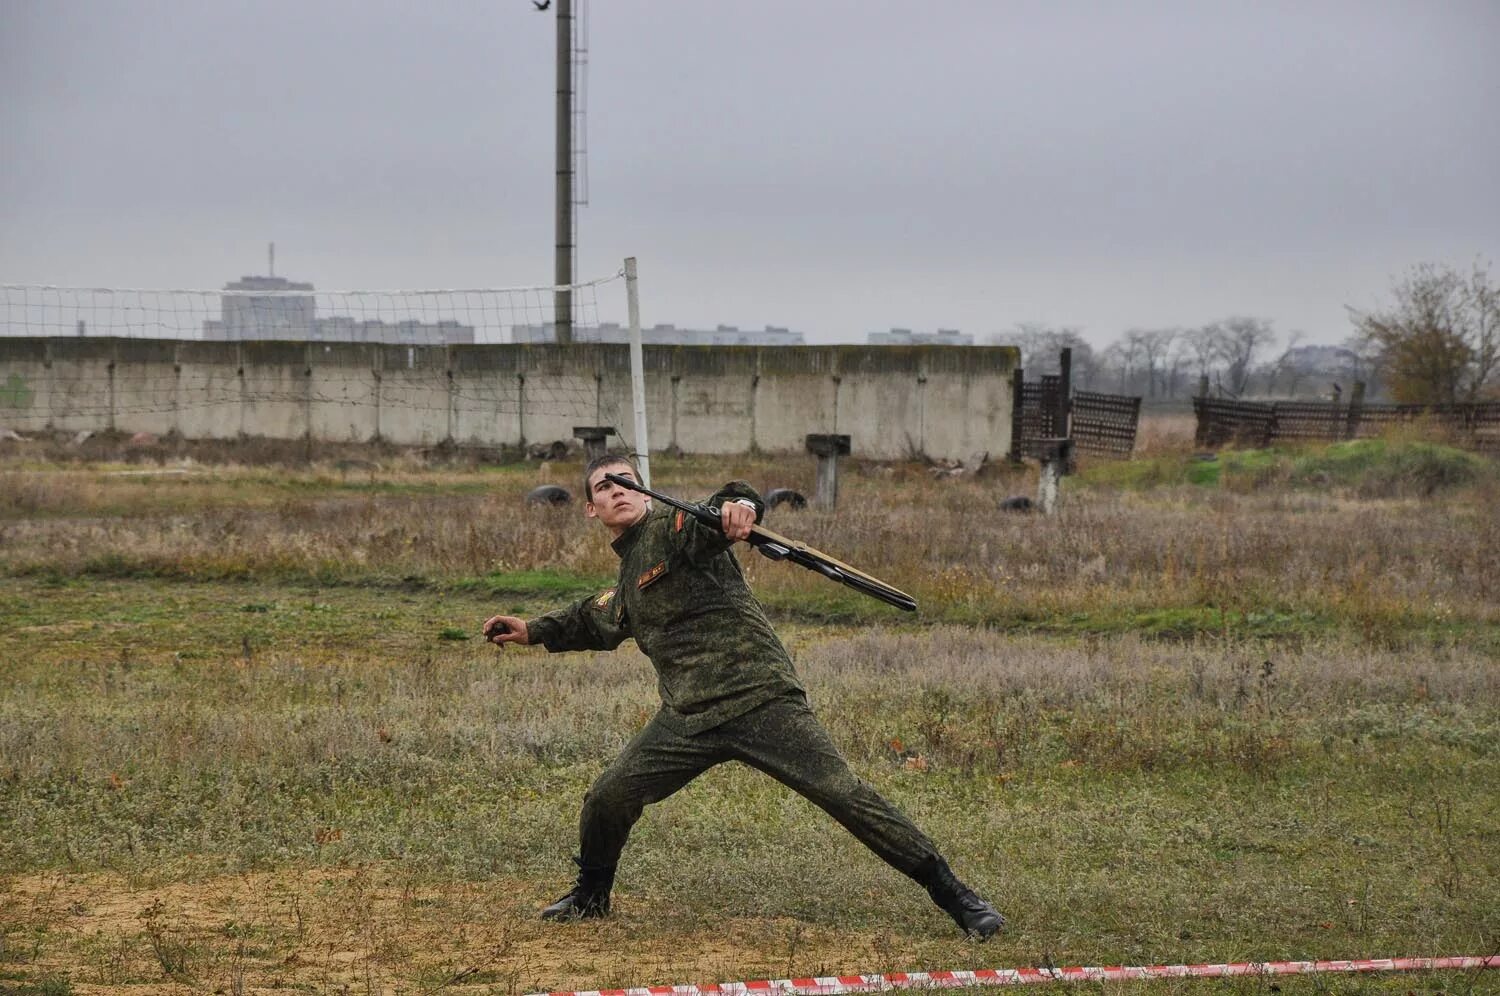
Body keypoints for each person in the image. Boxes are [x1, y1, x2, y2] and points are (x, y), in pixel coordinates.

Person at [483, 454, 1004, 939]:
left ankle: (957, 897)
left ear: (645, 494)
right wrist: (531, 629)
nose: (619, 491)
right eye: (605, 486)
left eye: (628, 482)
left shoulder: (676, 527)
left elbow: (725, 503)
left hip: (758, 699)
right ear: (591, 511)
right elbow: (595, 617)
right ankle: (591, 896)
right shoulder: (630, 576)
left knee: (843, 794)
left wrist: (741, 506)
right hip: (687, 718)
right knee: (607, 798)